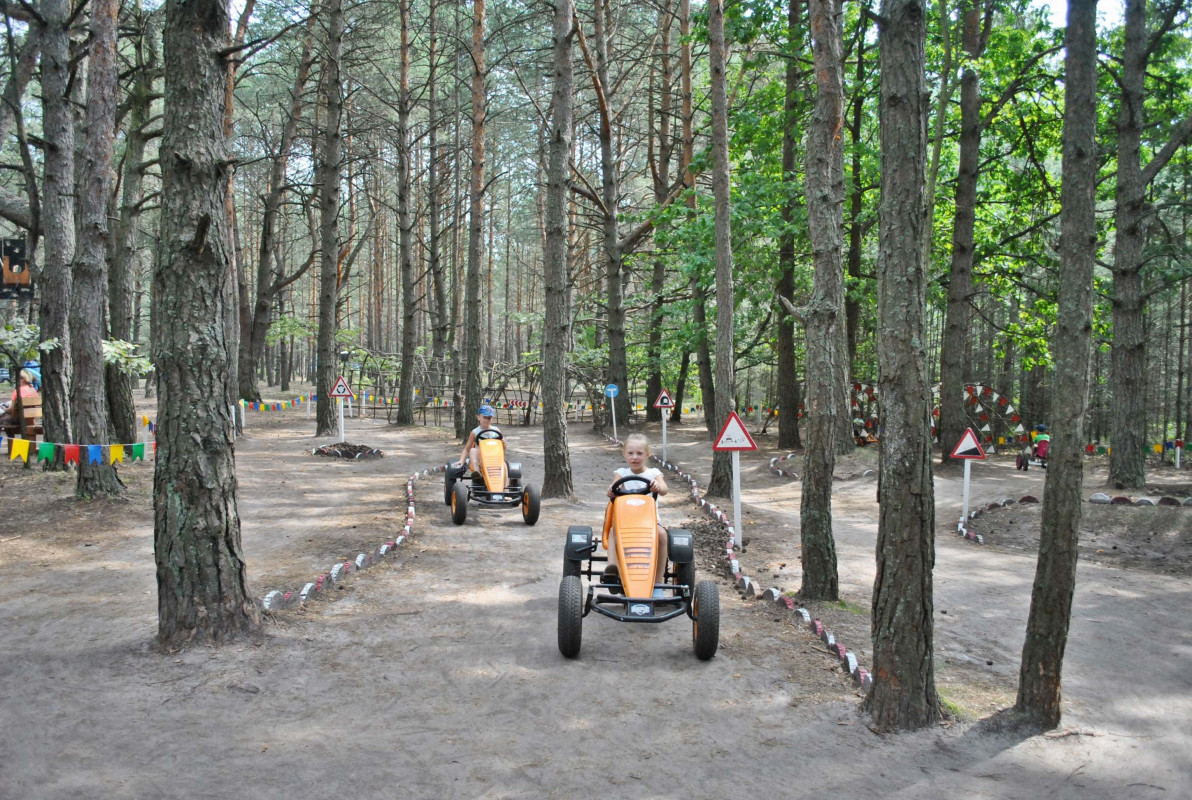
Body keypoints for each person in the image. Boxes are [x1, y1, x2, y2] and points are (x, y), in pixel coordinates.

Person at [606, 433, 670, 598]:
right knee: (614, 532)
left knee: (662, 535)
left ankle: (657, 583)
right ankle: (613, 571)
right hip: (626, 521)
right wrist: (612, 489)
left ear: (647, 454)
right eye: (631, 453)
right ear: (624, 454)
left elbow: (664, 489)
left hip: (649, 521)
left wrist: (657, 485)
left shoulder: (653, 473)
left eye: (639, 453)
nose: (635, 457)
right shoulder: (621, 472)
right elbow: (614, 486)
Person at [457, 403, 498, 471]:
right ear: (478, 417)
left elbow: (502, 448)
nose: (487, 420)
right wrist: (461, 460)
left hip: (493, 457)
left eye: (489, 418)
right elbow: (467, 449)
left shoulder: (496, 430)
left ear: (492, 419)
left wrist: (503, 442)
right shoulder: (475, 432)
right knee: (472, 450)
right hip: (480, 458)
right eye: (485, 417)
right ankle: (477, 472)